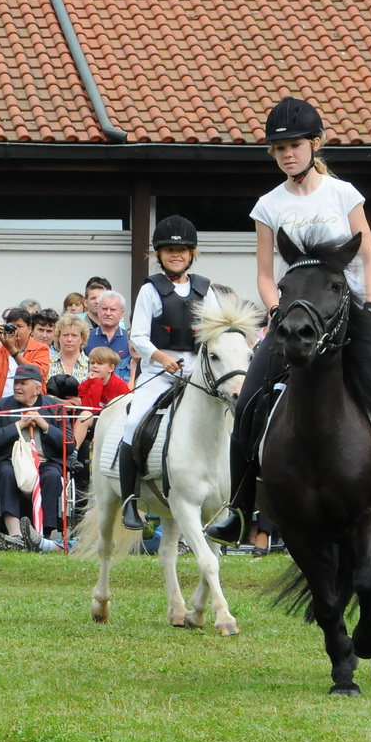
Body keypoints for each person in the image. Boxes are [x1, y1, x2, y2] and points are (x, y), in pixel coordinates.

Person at [211, 96, 371, 543]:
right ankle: (238, 509)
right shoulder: (268, 205)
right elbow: (267, 275)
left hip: (349, 316)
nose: (287, 153)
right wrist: (276, 312)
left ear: (315, 144)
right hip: (292, 320)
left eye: (295, 145)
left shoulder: (343, 194)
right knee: (247, 405)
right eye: (279, 148)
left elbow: (370, 257)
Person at [116, 215, 209, 531]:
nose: (176, 255)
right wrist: (161, 358)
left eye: (182, 250)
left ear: (191, 254)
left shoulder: (205, 290)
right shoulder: (150, 291)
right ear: (159, 255)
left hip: (197, 376)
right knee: (132, 423)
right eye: (169, 250)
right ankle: (130, 502)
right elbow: (138, 336)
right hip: (159, 374)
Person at [0, 365, 65, 548]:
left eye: (23, 383)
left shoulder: (55, 407)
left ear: (37, 388)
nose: (17, 387)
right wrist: (19, 424)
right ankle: (15, 535)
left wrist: (45, 426)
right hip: (10, 460)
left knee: (51, 475)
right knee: (6, 473)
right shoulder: (0, 406)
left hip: (44, 460)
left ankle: (43, 535)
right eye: (16, 383)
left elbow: (69, 443)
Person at [0, 307, 51, 436]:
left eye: (20, 326)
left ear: (30, 329)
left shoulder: (41, 349)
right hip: (1, 411)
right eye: (12, 326)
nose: (15, 330)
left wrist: (12, 350)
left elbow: (35, 373)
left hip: (29, 411)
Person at [83, 290, 132, 382]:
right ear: (98, 311)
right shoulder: (86, 337)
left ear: (122, 313)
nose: (108, 313)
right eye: (104, 309)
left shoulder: (129, 339)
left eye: (113, 309)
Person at [47, 315, 90, 381]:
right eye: (65, 335)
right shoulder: (48, 364)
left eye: (74, 336)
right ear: (58, 337)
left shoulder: (90, 365)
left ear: (82, 338)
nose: (69, 339)